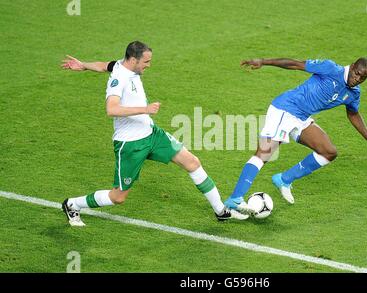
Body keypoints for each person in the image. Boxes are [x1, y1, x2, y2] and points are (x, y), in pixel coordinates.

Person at [60, 40, 248, 226]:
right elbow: (112, 109)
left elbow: (104, 66)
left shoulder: (121, 65)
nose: (148, 66)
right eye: (146, 62)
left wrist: (83, 65)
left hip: (152, 134)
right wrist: (145, 109)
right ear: (133, 59)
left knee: (192, 162)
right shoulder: (119, 79)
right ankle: (72, 204)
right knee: (118, 197)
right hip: (130, 144)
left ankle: (221, 211)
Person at [224, 57, 367, 212]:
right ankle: (235, 199)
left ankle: (284, 180)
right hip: (285, 108)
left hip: (301, 118)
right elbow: (295, 64)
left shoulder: (354, 93)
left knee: (329, 152)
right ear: (352, 66)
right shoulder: (330, 68)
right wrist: (263, 61)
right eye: (357, 74)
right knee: (265, 153)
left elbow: (353, 114)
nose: (357, 79)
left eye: (363, 78)